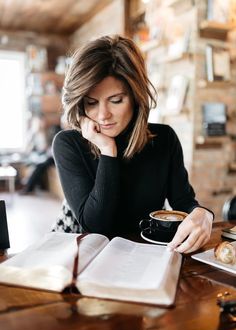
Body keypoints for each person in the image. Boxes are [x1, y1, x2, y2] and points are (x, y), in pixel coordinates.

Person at [53, 35, 214, 253]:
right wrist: (108, 150)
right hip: (81, 255)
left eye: (116, 100)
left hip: (140, 255)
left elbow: (184, 201)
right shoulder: (68, 144)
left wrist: (204, 214)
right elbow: (95, 226)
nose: (103, 115)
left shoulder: (164, 139)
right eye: (91, 102)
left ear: (136, 97)